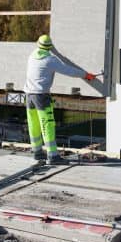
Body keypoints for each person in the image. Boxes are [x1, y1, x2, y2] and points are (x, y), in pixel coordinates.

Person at [24, 34, 96, 165]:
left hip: (29, 95)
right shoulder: (50, 60)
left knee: (33, 123)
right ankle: (53, 156)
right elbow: (69, 70)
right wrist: (86, 75)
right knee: (47, 125)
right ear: (49, 47)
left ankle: (37, 152)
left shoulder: (32, 55)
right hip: (41, 96)